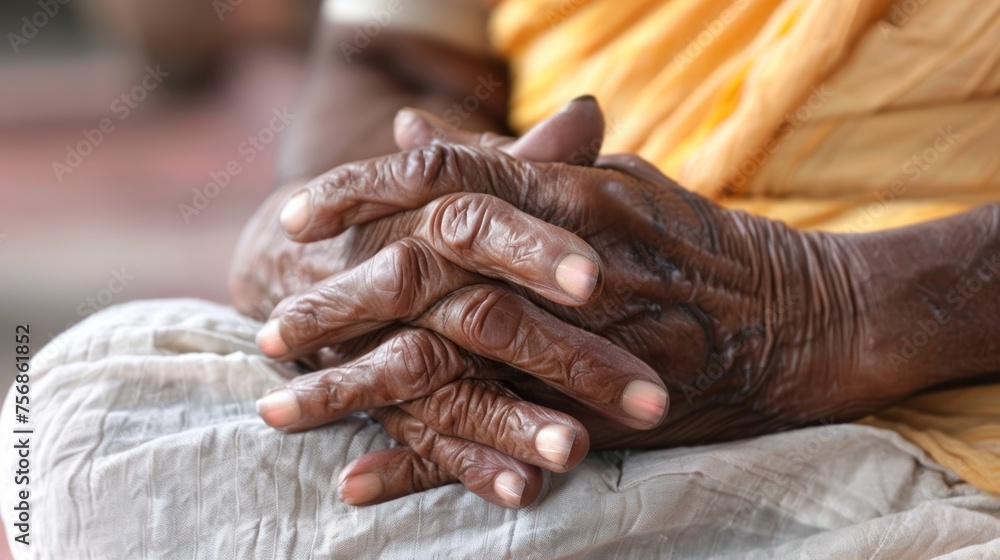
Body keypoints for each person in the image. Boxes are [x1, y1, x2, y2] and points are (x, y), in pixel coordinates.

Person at [5, 0, 1000, 557]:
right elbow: (388, 62)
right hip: (561, 378)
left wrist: (836, 310)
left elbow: (820, 311)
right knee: (77, 444)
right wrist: (401, 247)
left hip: (947, 407)